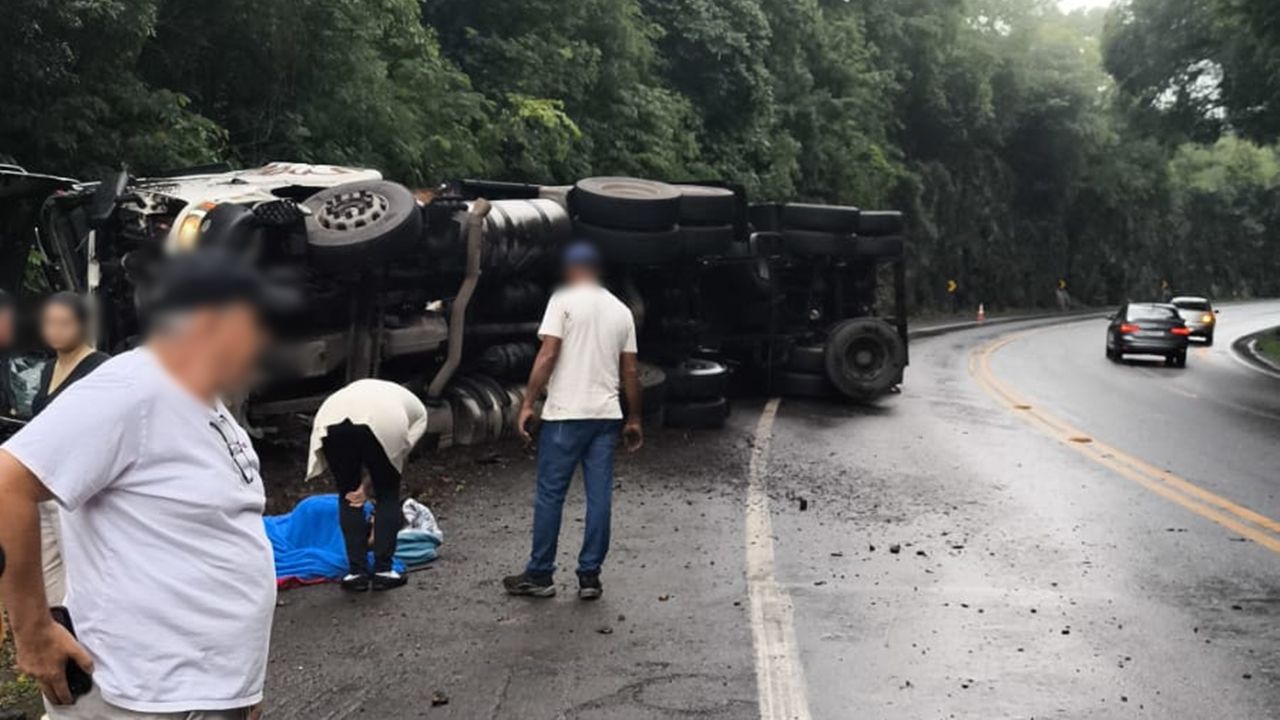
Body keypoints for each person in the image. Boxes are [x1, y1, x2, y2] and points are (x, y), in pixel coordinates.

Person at [0, 249, 294, 718]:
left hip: (205, 689)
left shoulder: (205, 401)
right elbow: (7, 482)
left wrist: (240, 687)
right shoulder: (131, 387)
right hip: (134, 694)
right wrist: (32, 629)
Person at [503, 242, 644, 601]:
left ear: (572, 269)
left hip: (566, 415)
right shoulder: (621, 310)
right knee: (599, 498)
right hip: (606, 417)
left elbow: (548, 353)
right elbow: (630, 369)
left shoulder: (563, 301)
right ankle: (589, 578)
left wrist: (528, 402)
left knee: (551, 496)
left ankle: (540, 575)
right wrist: (635, 418)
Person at [306, 378, 429, 592]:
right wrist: (371, 485)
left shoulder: (369, 388)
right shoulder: (419, 413)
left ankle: (356, 573)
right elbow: (397, 453)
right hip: (382, 420)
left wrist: (362, 488)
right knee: (387, 492)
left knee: (348, 494)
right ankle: (383, 571)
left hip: (330, 417)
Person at [30, 292, 110, 607]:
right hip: (41, 481)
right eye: (50, 323)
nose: (55, 330)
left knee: (80, 567)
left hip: (75, 487)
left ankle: (88, 635)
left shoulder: (99, 367)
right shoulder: (49, 368)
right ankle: (57, 630)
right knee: (47, 566)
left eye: (64, 323)